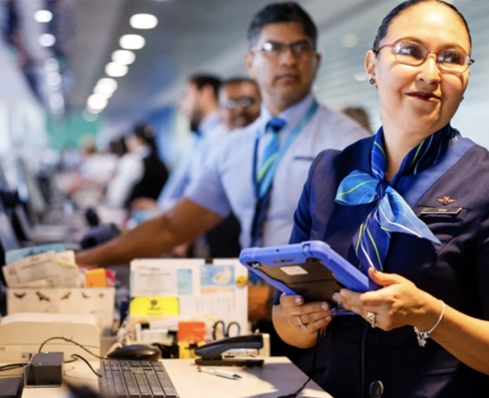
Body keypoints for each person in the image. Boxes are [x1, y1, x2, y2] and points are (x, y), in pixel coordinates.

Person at [273, 1, 489, 398]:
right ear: (372, 65)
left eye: (451, 58)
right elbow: (285, 314)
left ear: (466, 77)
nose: (431, 73)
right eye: (411, 50)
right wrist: (297, 321)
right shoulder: (329, 172)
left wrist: (428, 314)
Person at [76, 2, 369, 326]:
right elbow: (172, 226)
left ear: (315, 61)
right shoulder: (235, 147)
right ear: (250, 62)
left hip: (319, 319)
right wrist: (79, 261)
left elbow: (364, 251)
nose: (287, 59)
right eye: (272, 48)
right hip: (246, 307)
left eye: (300, 48)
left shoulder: (349, 140)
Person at [150, 74, 227, 212]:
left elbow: (207, 196)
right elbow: (179, 180)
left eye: (186, 95)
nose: (180, 106)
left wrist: (162, 207)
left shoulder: (222, 134)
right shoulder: (198, 137)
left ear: (206, 93)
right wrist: (159, 208)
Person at [204, 77, 262, 258]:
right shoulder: (214, 150)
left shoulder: (274, 150)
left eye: (248, 101)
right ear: (219, 111)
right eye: (230, 103)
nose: (239, 109)